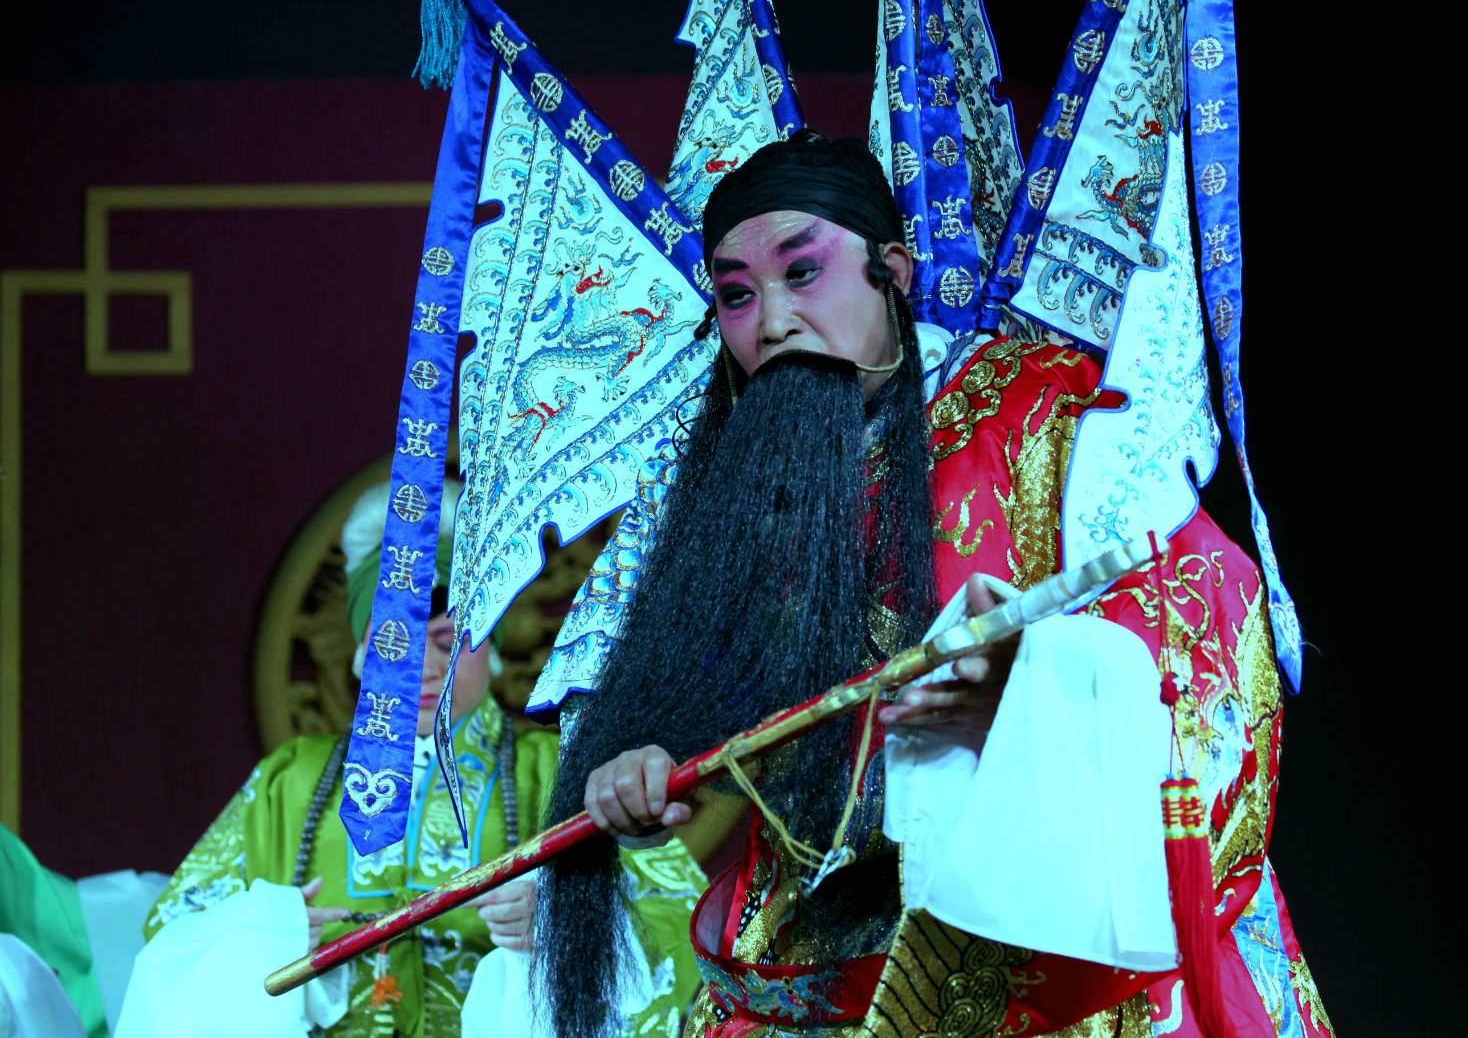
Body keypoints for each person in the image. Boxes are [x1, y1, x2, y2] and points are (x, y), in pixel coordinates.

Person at [535, 133, 1334, 1038]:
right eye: (737, 294)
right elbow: (715, 735)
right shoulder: (741, 494)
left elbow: (1206, 636)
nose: (774, 320)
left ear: (893, 272)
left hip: (1053, 952)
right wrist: (640, 775)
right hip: (827, 964)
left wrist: (1031, 696)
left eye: (803, 273)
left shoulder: (1039, 413)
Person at [120, 481, 706, 1038]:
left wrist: (568, 927)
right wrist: (262, 935)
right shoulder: (289, 782)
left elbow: (682, 925)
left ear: (492, 649)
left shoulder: (560, 774)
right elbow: (172, 939)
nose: (423, 668)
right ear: (359, 653)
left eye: (449, 643)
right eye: (392, 642)